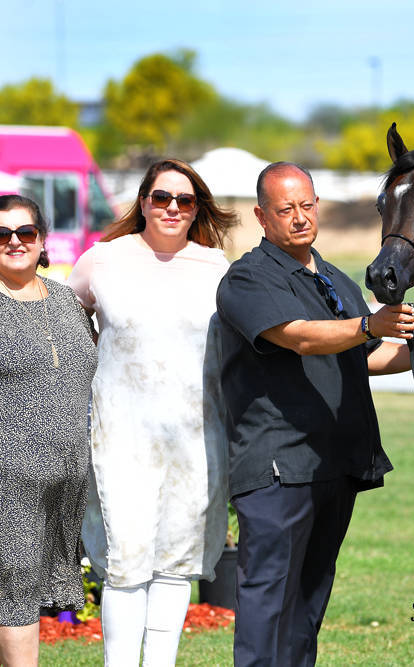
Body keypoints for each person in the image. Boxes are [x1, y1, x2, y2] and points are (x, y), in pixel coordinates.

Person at [215, 162, 414, 666]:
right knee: (267, 601)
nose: (300, 217)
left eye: (307, 205)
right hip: (278, 470)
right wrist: (368, 324)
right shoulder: (247, 278)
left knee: (308, 605)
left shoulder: (334, 278)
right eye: (285, 209)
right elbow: (299, 336)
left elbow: (366, 358)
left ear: (318, 206)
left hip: (334, 467)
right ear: (261, 216)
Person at [67, 159, 238, 666]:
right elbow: (68, 326)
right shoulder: (102, 260)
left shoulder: (217, 268)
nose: (172, 208)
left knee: (176, 565)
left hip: (197, 440)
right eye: (161, 197)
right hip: (120, 439)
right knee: (126, 563)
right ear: (143, 201)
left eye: (185, 200)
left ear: (197, 209)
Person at [0, 195, 97, 667]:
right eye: (2, 234)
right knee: (15, 590)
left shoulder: (65, 300)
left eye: (26, 232)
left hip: (64, 479)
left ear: (42, 240)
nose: (15, 241)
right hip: (8, 479)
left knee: (26, 591)